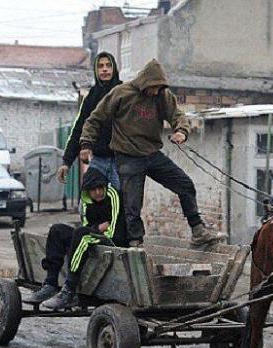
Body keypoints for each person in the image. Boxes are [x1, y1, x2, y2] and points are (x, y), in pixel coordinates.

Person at [79, 58, 220, 249]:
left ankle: (198, 231)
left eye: (159, 87)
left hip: (152, 154)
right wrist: (86, 144)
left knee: (185, 184)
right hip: (127, 155)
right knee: (132, 204)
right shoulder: (122, 94)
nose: (155, 91)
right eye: (153, 87)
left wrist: (181, 131)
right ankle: (135, 242)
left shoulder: (163, 95)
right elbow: (94, 119)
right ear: (144, 82)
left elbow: (177, 115)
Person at [23, 166, 127, 309]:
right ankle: (50, 284)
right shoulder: (85, 200)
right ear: (87, 191)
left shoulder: (113, 195)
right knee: (57, 230)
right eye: (93, 189)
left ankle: (69, 289)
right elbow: (86, 225)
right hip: (94, 235)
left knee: (82, 236)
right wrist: (98, 228)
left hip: (113, 240)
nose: (97, 192)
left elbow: (114, 228)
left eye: (100, 188)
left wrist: (95, 230)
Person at [58, 52, 122, 189]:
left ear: (114, 68)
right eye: (100, 66)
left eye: (108, 65)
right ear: (96, 70)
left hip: (121, 161)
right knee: (87, 203)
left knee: (123, 204)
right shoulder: (92, 96)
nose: (104, 69)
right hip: (99, 160)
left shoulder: (124, 92)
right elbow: (80, 128)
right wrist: (66, 162)